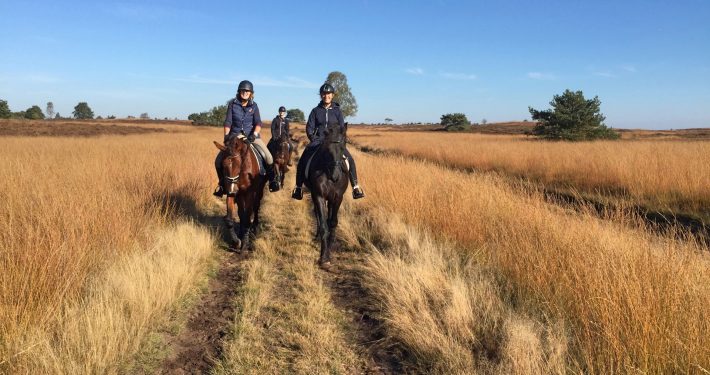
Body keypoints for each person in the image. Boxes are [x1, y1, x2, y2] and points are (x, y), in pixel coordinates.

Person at [291, 83, 365, 200]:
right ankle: (298, 187)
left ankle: (355, 187)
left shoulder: (337, 111)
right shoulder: (315, 111)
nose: (326, 96)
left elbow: (341, 128)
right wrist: (313, 138)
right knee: (303, 159)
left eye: (329, 94)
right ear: (321, 95)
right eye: (324, 94)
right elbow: (309, 127)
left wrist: (340, 140)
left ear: (333, 95)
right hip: (318, 141)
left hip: (334, 143)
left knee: (349, 159)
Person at [214, 80, 280, 197]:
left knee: (268, 156)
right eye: (243, 90)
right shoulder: (232, 104)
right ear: (239, 91)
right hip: (235, 137)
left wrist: (254, 135)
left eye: (247, 91)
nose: (245, 92)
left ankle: (272, 182)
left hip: (252, 136)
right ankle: (222, 185)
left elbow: (258, 123)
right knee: (218, 160)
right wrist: (226, 137)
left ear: (251, 93)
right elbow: (228, 122)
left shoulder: (254, 106)